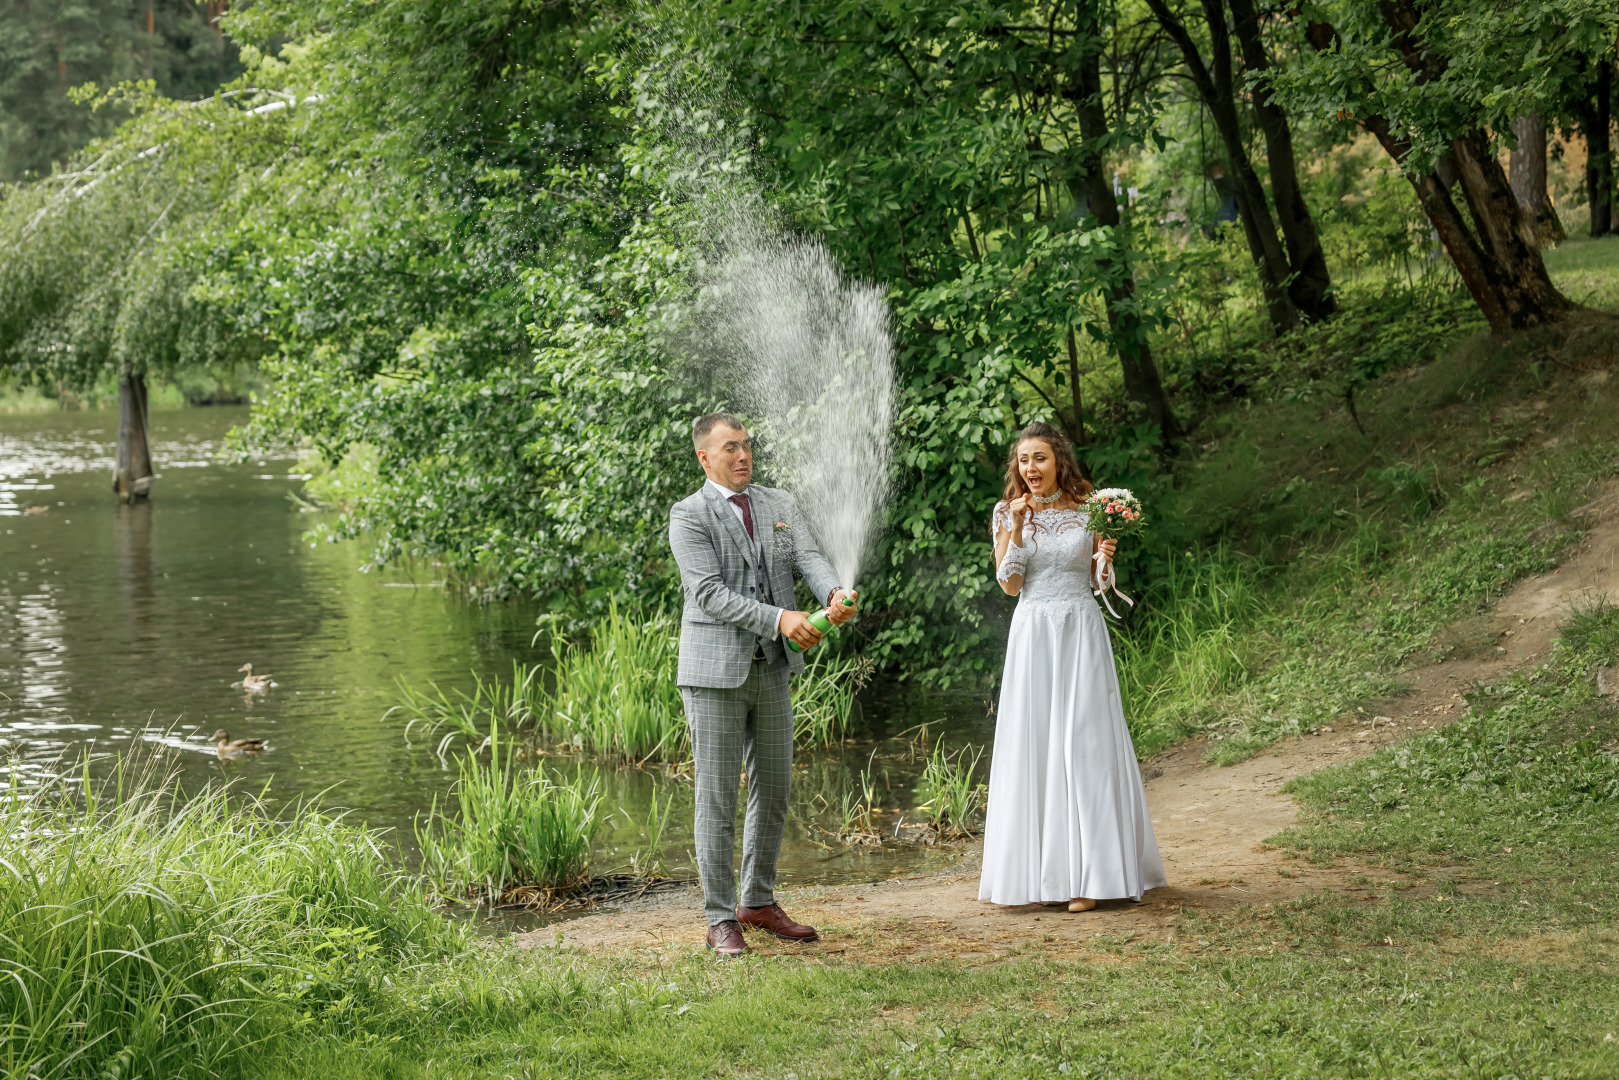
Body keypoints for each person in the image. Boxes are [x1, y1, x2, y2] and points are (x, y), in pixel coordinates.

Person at [668, 412, 857, 957]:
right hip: (713, 676)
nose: (743, 455)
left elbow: (809, 557)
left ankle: (758, 900)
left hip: (772, 670)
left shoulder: (779, 504)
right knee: (717, 796)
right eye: (730, 448)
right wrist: (780, 619)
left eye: (747, 445)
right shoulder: (688, 515)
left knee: (774, 789)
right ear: (705, 458)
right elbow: (708, 594)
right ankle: (720, 917)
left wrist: (831, 595)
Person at [979, 421, 1166, 911]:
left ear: (1058, 459)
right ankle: (1043, 879)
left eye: (1039, 458)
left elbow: (1098, 580)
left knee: (1085, 741)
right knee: (1038, 742)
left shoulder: (1089, 509)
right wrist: (1018, 526)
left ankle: (1093, 877)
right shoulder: (1006, 513)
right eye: (1023, 460)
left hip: (1081, 629)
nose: (1030, 468)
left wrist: (1105, 558)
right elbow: (1010, 585)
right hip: (1034, 635)